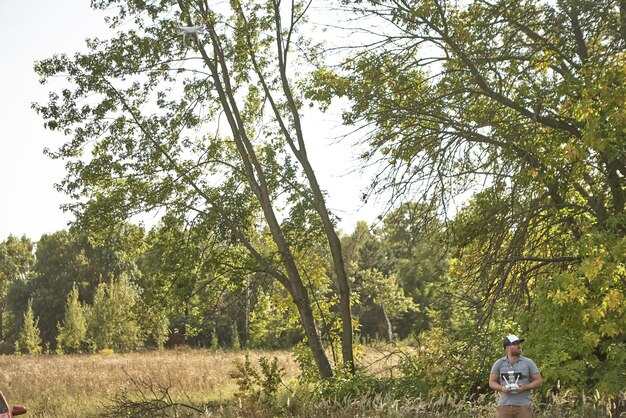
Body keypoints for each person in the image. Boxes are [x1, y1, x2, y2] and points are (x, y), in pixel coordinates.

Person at [489, 334, 542, 418]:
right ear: (507, 347)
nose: (519, 346)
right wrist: (502, 388)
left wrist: (525, 387)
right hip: (504, 406)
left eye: (519, 344)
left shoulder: (528, 362)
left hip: (523, 406)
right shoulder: (499, 363)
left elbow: (538, 381)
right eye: (515, 344)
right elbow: (491, 382)